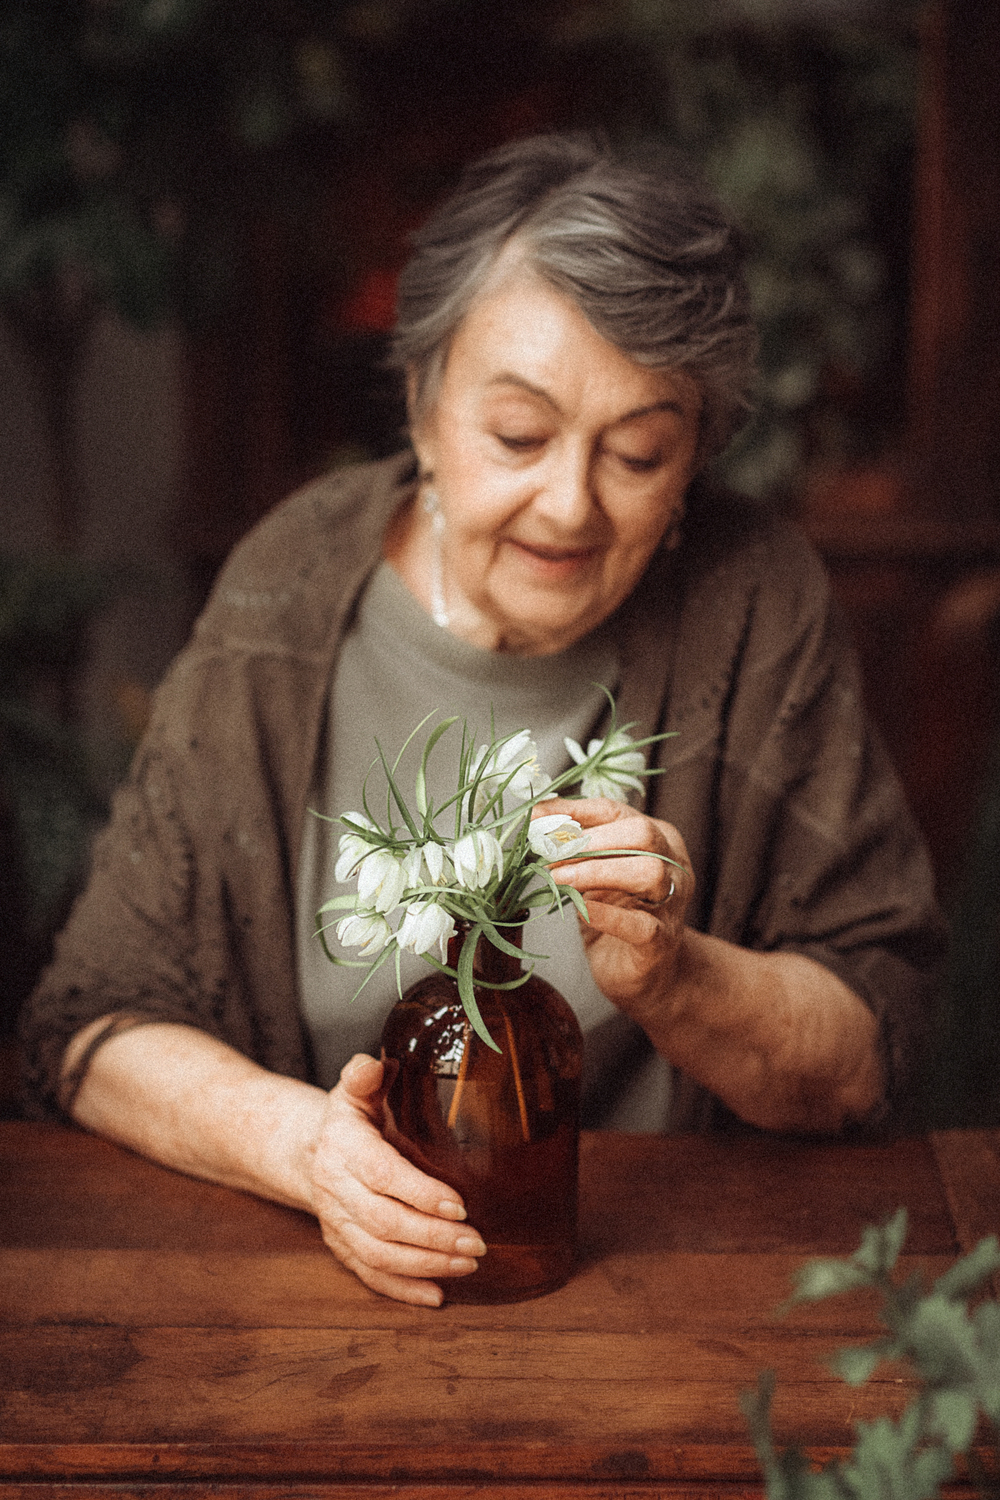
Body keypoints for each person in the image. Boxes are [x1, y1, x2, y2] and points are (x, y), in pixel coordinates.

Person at [21, 132, 944, 1307]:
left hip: (670, 1299)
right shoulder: (291, 580)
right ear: (420, 410)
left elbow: (870, 1050)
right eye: (518, 435)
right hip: (317, 1300)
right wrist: (306, 1152)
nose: (567, 503)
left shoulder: (750, 601)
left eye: (639, 452)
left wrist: (676, 976)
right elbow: (91, 1021)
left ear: (691, 468)